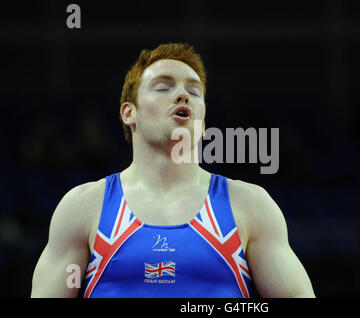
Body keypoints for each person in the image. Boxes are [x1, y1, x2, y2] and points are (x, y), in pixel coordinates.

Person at [30, 43, 315, 298]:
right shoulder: (82, 207)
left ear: (202, 121)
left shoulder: (251, 205)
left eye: (193, 91)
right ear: (129, 112)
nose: (182, 95)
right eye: (164, 87)